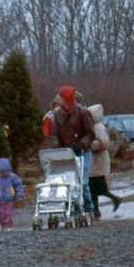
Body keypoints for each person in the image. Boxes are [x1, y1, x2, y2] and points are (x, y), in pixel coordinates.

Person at [53, 86, 95, 215]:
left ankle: (88, 208)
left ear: (66, 99)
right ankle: (74, 208)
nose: (56, 100)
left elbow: (90, 133)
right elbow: (55, 133)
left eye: (59, 98)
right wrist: (56, 145)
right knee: (69, 181)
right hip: (67, 152)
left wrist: (82, 144)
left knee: (82, 181)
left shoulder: (83, 112)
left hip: (82, 152)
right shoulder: (57, 114)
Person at [86, 104, 123, 218]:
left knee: (98, 187)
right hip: (95, 161)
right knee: (93, 187)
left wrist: (89, 145)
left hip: (98, 160)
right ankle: (96, 210)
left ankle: (114, 199)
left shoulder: (98, 127)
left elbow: (103, 142)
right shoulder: (94, 126)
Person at [0, 157, 24, 231]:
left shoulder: (13, 177)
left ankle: (9, 225)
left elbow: (18, 185)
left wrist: (19, 195)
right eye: (2, 172)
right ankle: (1, 223)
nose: (3, 174)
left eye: (5, 172)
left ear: (8, 170)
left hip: (9, 198)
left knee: (7, 213)